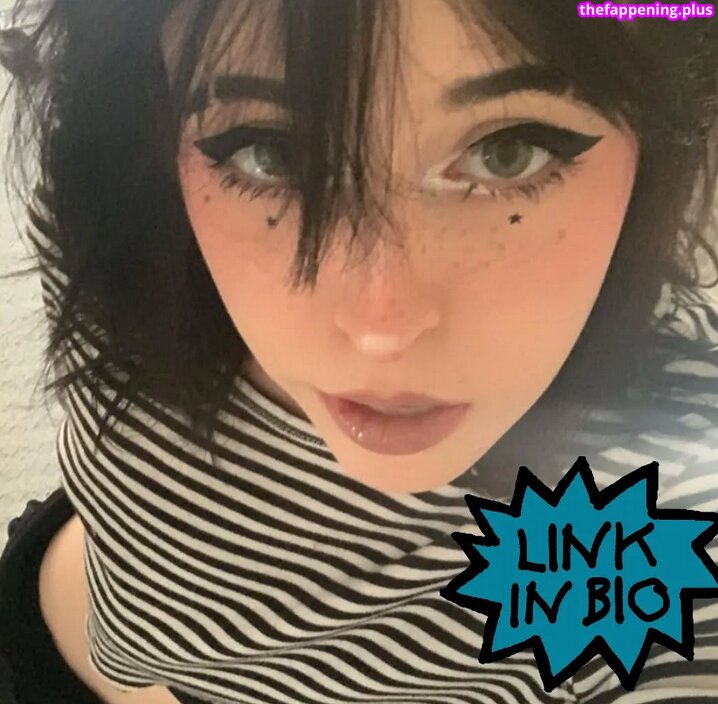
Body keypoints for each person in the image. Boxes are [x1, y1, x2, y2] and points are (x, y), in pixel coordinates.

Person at [1, 0, 718, 702]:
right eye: (270, 151)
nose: (382, 328)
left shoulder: (666, 506)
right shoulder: (111, 218)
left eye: (508, 151)